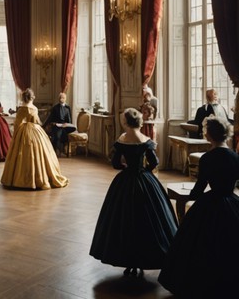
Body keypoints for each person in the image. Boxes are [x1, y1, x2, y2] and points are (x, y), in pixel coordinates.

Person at [90, 108, 177, 278]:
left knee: (123, 219)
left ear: (125, 122)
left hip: (126, 180)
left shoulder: (122, 140)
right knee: (148, 219)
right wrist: (145, 171)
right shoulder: (145, 140)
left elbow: (115, 163)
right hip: (144, 179)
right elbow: (155, 161)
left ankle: (128, 260)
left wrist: (125, 168)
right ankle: (145, 256)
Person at [159, 116, 239, 295]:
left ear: (209, 135)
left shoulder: (208, 158)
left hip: (210, 204)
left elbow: (199, 189)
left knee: (198, 246)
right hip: (232, 203)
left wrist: (188, 195)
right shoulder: (236, 157)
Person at [1, 88, 68, 190]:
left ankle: (19, 179)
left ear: (24, 97)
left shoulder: (22, 108)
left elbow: (18, 123)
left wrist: (16, 135)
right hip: (35, 131)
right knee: (39, 154)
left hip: (23, 131)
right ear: (32, 97)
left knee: (21, 155)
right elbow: (37, 121)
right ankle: (39, 178)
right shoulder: (34, 108)